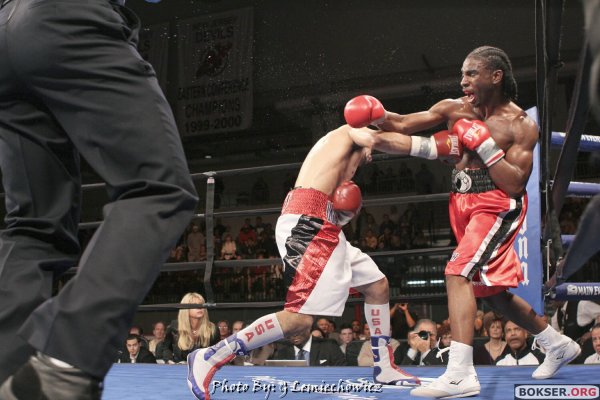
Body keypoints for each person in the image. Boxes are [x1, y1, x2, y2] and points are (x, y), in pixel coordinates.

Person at [344, 46, 581, 398]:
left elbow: (515, 184)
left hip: (497, 204)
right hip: (461, 201)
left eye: (471, 73)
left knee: (457, 272)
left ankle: (460, 375)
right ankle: (556, 343)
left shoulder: (520, 125)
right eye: (462, 74)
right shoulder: (454, 108)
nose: (463, 81)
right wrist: (375, 114)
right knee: (491, 294)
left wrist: (485, 146)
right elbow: (403, 123)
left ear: (495, 76)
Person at [0, 0, 198, 398]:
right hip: (67, 19)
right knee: (158, 188)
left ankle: (8, 372)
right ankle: (65, 363)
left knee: (34, 227)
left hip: (6, 29)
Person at [186, 124, 420, 400]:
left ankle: (384, 367)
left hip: (326, 227)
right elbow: (390, 129)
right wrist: (433, 147)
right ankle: (211, 356)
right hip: (308, 224)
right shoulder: (353, 131)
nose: (372, 150)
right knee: (298, 320)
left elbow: (399, 123)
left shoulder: (348, 151)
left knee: (377, 285)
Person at [163, 293, 219, 364]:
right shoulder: (174, 327)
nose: (200, 307)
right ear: (185, 309)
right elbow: (166, 348)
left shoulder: (212, 329)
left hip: (203, 367)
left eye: (201, 304)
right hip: (180, 367)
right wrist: (169, 360)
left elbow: (217, 353)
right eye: (195, 305)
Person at [271, 328, 347, 366]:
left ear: (307, 328)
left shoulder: (328, 346)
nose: (294, 335)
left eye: (297, 329)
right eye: (291, 331)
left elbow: (343, 373)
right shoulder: (282, 353)